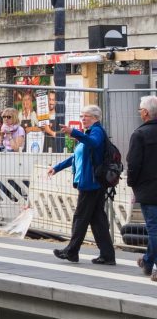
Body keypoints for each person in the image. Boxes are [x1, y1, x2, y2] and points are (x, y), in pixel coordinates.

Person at [48, 105, 116, 265]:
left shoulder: (96, 131)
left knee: (80, 217)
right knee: (97, 219)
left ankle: (71, 251)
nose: (83, 119)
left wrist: (74, 132)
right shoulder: (88, 133)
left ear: (95, 118)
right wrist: (57, 168)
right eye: (82, 116)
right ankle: (107, 255)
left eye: (86, 116)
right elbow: (75, 157)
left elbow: (93, 143)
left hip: (91, 183)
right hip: (90, 182)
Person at [127, 96, 157, 280]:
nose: (139, 112)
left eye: (140, 110)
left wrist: (131, 183)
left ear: (145, 113)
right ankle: (147, 261)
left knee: (154, 228)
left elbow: (134, 164)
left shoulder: (139, 135)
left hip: (148, 190)